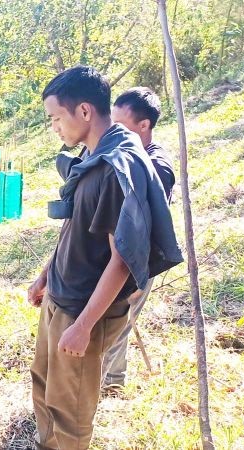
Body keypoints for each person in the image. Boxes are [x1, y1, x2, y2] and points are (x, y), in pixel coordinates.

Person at [29, 66, 183, 449]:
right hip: (61, 295)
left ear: (83, 112)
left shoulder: (118, 166)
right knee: (44, 383)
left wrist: (82, 326)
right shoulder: (94, 154)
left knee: (71, 408)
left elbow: (121, 259)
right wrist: (46, 274)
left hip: (84, 308)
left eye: (56, 118)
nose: (54, 127)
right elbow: (78, 226)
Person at [102, 87, 177, 390]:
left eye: (121, 125)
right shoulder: (125, 152)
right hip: (114, 253)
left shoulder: (157, 165)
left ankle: (111, 383)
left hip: (138, 259)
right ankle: (109, 379)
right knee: (114, 318)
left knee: (118, 320)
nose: (113, 131)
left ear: (144, 125)